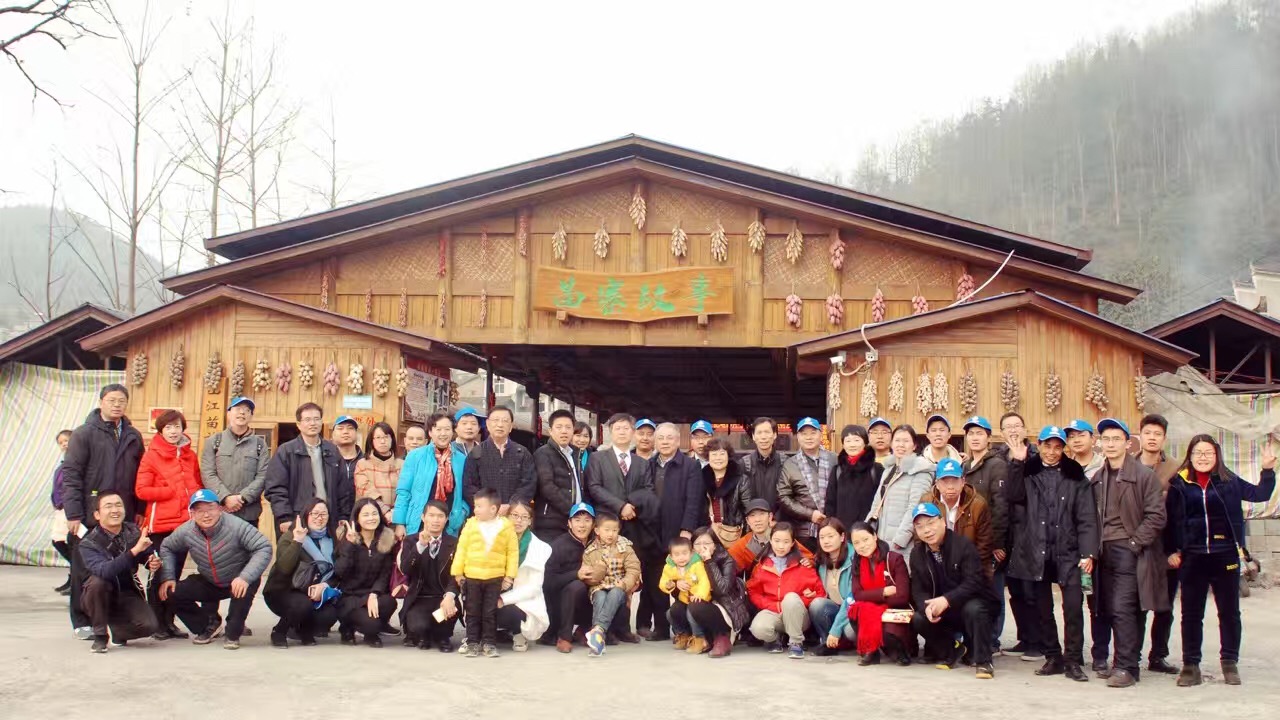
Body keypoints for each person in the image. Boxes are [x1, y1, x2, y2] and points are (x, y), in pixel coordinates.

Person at [1166, 435, 1276, 687]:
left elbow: (1260, 494)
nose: (1203, 457)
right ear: (1190, 456)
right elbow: (1170, 521)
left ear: (1217, 456)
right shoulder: (1179, 483)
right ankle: (1190, 665)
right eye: (1197, 452)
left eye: (1208, 453)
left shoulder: (1229, 481)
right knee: (1191, 614)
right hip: (1192, 557)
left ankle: (1229, 662)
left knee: (1229, 612)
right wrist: (1171, 550)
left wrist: (1267, 470)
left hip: (1225, 554)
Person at [1006, 425, 1098, 683]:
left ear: (1063, 448)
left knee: (1073, 608)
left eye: (1058, 447)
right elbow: (1013, 495)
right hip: (1037, 550)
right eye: (1047, 446)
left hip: (1069, 552)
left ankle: (1073, 660)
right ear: (1040, 445)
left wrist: (1088, 552)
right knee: (1042, 609)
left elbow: (1087, 518)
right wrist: (1017, 462)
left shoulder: (1076, 475)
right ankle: (1053, 656)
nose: (1052, 452)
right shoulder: (1027, 471)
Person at [1090, 418, 1168, 688]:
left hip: (1130, 549)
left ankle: (1124, 667)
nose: (1111, 444)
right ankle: (1128, 665)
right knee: (1110, 609)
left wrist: (1134, 543)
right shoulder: (1098, 478)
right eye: (1106, 439)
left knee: (1124, 608)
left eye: (1116, 439)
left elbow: (1156, 516)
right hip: (1104, 551)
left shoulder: (1143, 476)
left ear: (1127, 443)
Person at [62, 384, 144, 639]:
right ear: (101, 402)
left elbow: (140, 474)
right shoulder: (84, 433)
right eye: (112, 400)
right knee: (83, 568)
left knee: (122, 566)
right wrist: (73, 513)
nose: (117, 405)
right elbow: (71, 475)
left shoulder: (133, 435)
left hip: (123, 511)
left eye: (121, 401)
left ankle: (116, 619)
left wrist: (139, 508)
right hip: (91, 512)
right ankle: (81, 620)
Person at [158, 489, 272, 650]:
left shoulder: (236, 526)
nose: (206, 515)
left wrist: (245, 577)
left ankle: (233, 630)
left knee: (232, 636)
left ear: (220, 509)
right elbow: (167, 547)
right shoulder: (186, 531)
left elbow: (263, 547)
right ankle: (207, 626)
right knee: (171, 592)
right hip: (210, 580)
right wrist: (169, 576)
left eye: (210, 508)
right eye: (199, 511)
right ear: (192, 514)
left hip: (239, 580)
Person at [585, 412, 661, 641]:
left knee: (627, 576)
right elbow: (594, 487)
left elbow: (648, 489)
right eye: (617, 428)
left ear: (632, 432)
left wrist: (631, 506)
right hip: (606, 524)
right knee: (604, 575)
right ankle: (604, 628)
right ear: (611, 431)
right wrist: (620, 507)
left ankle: (623, 627)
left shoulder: (641, 463)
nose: (622, 432)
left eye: (626, 428)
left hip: (633, 525)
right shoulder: (598, 458)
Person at [134, 410, 203, 640]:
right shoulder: (151, 456)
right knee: (159, 574)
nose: (174, 431)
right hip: (161, 526)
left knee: (174, 575)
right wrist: (171, 491)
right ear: (161, 430)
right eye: (168, 427)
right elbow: (141, 490)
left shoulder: (189, 455)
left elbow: (197, 484)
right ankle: (156, 624)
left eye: (177, 426)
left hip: (184, 525)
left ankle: (169, 622)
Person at [909, 502, 998, 679]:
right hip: (944, 609)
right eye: (920, 526)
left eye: (931, 523)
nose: (927, 530)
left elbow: (974, 582)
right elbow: (918, 590)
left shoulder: (963, 545)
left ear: (943, 522)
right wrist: (926, 607)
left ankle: (983, 661)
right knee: (918, 618)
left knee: (974, 609)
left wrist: (947, 600)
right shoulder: (917, 554)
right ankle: (952, 650)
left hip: (972, 603)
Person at [73, 490, 160, 653]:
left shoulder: (133, 531)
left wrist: (151, 562)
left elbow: (145, 554)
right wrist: (134, 551)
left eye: (118, 505)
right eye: (108, 506)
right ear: (97, 514)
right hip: (98, 593)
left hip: (127, 591)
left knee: (150, 626)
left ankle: (117, 631)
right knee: (98, 583)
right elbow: (104, 571)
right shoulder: (88, 543)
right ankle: (100, 635)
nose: (115, 510)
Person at [642, 422, 705, 639]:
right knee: (657, 581)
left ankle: (686, 628)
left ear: (678, 441)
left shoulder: (690, 466)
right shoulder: (648, 465)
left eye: (670, 438)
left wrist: (686, 530)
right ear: (655, 441)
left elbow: (694, 501)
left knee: (684, 581)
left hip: (677, 533)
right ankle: (661, 628)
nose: (665, 442)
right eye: (661, 438)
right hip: (653, 532)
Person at [1134, 413, 1182, 675]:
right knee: (1135, 605)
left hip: (1165, 546)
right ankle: (1131, 656)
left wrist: (1177, 548)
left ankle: (1158, 656)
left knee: (1164, 606)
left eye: (1157, 434)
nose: (1152, 438)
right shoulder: (1127, 465)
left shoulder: (1175, 469)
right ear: (1140, 435)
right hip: (1135, 546)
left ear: (1164, 438)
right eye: (1148, 433)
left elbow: (1181, 512)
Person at [960, 415, 1011, 655]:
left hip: (990, 541)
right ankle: (973, 637)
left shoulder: (996, 465)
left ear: (988, 438)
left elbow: (1001, 507)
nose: (975, 438)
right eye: (971, 434)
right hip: (969, 540)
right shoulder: (965, 466)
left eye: (980, 433)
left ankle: (992, 640)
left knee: (993, 590)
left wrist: (997, 543)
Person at [262, 498, 340, 648]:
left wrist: (324, 586)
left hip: (314, 592)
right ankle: (279, 631)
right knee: (302, 604)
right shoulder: (290, 536)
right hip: (283, 590)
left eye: (324, 514)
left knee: (330, 614)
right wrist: (297, 541)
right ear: (306, 515)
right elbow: (284, 567)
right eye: (315, 513)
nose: (319, 518)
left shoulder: (331, 539)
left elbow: (337, 571)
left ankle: (304, 630)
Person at [264, 403, 352, 537]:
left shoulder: (332, 451)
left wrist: (343, 516)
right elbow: (275, 488)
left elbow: (343, 488)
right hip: (297, 519)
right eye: (307, 419)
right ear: (299, 424)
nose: (313, 423)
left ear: (321, 422)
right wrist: (284, 517)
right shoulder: (286, 451)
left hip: (328, 518)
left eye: (316, 419)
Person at [451, 488, 520, 657]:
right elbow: (461, 549)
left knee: (490, 612)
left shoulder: (506, 527)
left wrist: (509, 576)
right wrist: (458, 573)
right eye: (475, 506)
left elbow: (512, 552)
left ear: (493, 509)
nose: (475, 510)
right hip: (472, 577)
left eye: (479, 506)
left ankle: (489, 643)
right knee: (472, 611)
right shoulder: (470, 525)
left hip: (494, 578)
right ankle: (472, 642)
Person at [746, 522, 825, 658]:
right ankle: (775, 639)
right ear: (771, 541)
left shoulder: (802, 565)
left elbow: (820, 592)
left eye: (786, 542)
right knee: (757, 627)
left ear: (793, 543)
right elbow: (753, 591)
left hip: (798, 616)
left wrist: (803, 600)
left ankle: (796, 642)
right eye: (777, 541)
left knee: (791, 598)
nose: (781, 546)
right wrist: (772, 605)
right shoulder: (763, 565)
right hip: (774, 612)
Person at [998, 410, 1040, 661]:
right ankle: (1025, 638)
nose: (1013, 430)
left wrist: (1020, 462)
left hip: (1031, 532)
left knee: (1031, 589)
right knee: (1015, 589)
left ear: (1025, 429)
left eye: (1017, 425)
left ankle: (1038, 641)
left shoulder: (1036, 456)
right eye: (1008, 427)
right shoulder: (998, 458)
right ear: (1002, 433)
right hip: (1009, 532)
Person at [333, 498, 397, 647]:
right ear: (357, 518)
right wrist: (349, 545)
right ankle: (347, 627)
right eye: (366, 515)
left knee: (389, 602)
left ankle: (370, 634)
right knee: (372, 624)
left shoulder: (385, 539)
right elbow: (339, 571)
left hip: (372, 594)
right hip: (350, 597)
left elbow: (385, 574)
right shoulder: (347, 539)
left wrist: (374, 594)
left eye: (374, 513)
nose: (371, 518)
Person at [395, 412, 469, 540]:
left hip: (449, 524)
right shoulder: (415, 456)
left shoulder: (461, 459)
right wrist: (400, 523)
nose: (443, 433)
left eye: (447, 429)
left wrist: (460, 514)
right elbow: (404, 491)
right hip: (419, 521)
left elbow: (466, 492)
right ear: (430, 432)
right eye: (438, 429)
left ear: (453, 432)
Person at [398, 501, 460, 652]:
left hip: (443, 598)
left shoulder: (454, 543)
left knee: (443, 622)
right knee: (419, 626)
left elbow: (457, 574)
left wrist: (450, 596)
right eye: (431, 515)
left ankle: (441, 636)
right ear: (423, 517)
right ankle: (423, 634)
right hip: (419, 598)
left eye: (440, 516)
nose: (435, 520)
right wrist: (420, 546)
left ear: (446, 519)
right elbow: (406, 569)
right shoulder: (411, 540)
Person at [847, 520, 912, 666]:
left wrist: (870, 597)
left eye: (865, 539)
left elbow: (902, 597)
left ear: (875, 536)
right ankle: (872, 651)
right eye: (856, 543)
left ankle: (900, 652)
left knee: (879, 620)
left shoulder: (894, 559)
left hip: (894, 609)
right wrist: (883, 592)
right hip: (876, 606)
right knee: (855, 610)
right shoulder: (857, 562)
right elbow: (857, 594)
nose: (862, 545)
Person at [580, 511, 642, 657]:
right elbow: (588, 578)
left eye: (614, 530)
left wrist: (625, 583)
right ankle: (599, 637)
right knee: (600, 596)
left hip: (619, 587)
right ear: (597, 530)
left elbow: (634, 568)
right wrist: (598, 572)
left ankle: (597, 631)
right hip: (599, 587)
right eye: (607, 530)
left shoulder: (625, 547)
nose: (611, 534)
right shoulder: (590, 551)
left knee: (615, 592)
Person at [200, 396, 269, 528]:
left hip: (249, 514)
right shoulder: (214, 441)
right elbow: (208, 473)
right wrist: (225, 497)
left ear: (251, 416)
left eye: (247, 410)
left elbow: (263, 476)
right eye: (237, 409)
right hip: (219, 512)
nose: (242, 413)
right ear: (229, 413)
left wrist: (242, 498)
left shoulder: (260, 444)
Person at [867, 424, 935, 555]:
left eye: (906, 441)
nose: (901, 445)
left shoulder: (921, 470)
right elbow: (877, 504)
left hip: (902, 544)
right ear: (892, 444)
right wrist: (866, 531)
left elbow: (915, 507)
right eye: (897, 440)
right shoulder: (889, 470)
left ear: (914, 446)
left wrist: (901, 539)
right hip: (881, 538)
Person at [919, 457, 993, 572]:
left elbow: (984, 545)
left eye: (954, 481)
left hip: (969, 565)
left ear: (963, 482)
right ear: (937, 484)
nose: (950, 487)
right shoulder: (927, 502)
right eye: (945, 481)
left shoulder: (978, 504)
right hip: (937, 564)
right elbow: (919, 538)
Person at [498, 499, 552, 651]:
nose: (519, 520)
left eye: (524, 517)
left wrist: (503, 599)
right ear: (506, 518)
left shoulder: (540, 548)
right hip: (494, 590)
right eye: (514, 515)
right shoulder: (496, 540)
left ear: (530, 521)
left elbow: (534, 587)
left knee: (510, 611)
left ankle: (518, 633)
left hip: (521, 598)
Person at [545, 503, 599, 652]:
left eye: (587, 520)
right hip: (560, 602)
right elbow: (548, 583)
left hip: (589, 598)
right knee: (576, 586)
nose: (582, 525)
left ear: (593, 524)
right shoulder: (558, 546)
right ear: (569, 523)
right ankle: (564, 637)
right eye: (577, 520)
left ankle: (586, 630)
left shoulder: (598, 543)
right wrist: (576, 574)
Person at [462, 406, 536, 515]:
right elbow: (469, 487)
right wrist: (489, 506)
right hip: (485, 516)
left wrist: (511, 505)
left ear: (511, 426)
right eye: (495, 420)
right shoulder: (476, 453)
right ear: (487, 424)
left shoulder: (522, 453)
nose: (500, 425)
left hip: (514, 515)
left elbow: (528, 484)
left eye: (505, 421)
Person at [689, 528, 749, 658]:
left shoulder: (727, 560)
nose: (702, 547)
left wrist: (709, 561)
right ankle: (700, 637)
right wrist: (677, 584)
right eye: (697, 544)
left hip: (725, 606)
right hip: (706, 602)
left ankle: (722, 636)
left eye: (707, 543)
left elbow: (722, 589)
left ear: (715, 545)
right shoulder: (690, 561)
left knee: (696, 606)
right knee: (676, 609)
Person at [779, 416, 835, 552]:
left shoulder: (835, 459)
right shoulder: (790, 464)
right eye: (804, 434)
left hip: (833, 529)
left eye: (813, 433)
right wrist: (810, 514)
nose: (808, 437)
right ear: (798, 437)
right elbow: (783, 497)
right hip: (804, 532)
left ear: (820, 435)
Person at [533, 409, 588, 543]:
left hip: (573, 522)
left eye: (568, 427)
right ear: (550, 431)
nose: (564, 431)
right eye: (559, 427)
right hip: (551, 522)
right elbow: (547, 487)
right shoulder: (543, 453)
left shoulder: (575, 454)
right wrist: (572, 511)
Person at [808, 518, 857, 657]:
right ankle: (828, 643)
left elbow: (852, 598)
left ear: (842, 537)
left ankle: (843, 640)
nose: (826, 541)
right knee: (817, 604)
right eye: (822, 537)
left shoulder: (855, 558)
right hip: (835, 608)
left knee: (850, 631)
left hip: (853, 608)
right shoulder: (821, 561)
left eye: (830, 536)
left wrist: (835, 630)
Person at [825, 425, 883, 531]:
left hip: (868, 531)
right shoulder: (837, 471)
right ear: (843, 444)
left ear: (865, 442)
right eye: (848, 441)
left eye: (856, 440)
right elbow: (830, 503)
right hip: (843, 532)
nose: (852, 445)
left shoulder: (876, 469)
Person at [660, 535, 711, 651]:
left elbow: (704, 581)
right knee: (671, 612)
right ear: (671, 556)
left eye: (684, 553)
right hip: (684, 599)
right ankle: (683, 635)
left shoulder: (697, 565)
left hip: (699, 600)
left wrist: (700, 595)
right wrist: (672, 584)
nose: (681, 557)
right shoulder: (669, 567)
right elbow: (663, 581)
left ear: (691, 553)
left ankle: (700, 638)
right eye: (677, 554)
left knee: (691, 612)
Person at [354, 421, 401, 524]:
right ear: (372, 441)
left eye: (386, 437)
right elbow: (366, 491)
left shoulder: (402, 464)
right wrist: (385, 511)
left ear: (392, 439)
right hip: (370, 519)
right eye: (378, 438)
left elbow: (404, 492)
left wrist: (395, 512)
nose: (382, 441)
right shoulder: (362, 464)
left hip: (396, 518)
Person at [704, 436, 745, 546]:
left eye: (722, 454)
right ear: (708, 457)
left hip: (733, 536)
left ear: (728, 456)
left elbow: (748, 510)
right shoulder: (701, 478)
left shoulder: (741, 479)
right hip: (708, 534)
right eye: (714, 454)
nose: (718, 458)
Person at [737, 417, 784, 511]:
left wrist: (776, 517)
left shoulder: (785, 463)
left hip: (779, 519)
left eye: (767, 432)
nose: (763, 437)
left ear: (775, 435)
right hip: (752, 517)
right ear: (753, 436)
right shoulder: (744, 464)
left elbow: (789, 496)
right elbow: (739, 498)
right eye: (759, 432)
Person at [49, 429, 74, 596]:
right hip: (60, 509)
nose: (64, 444)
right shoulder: (63, 464)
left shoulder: (76, 462)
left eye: (67, 440)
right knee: (57, 540)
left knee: (68, 543)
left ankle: (76, 576)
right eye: (61, 442)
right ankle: (73, 575)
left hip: (70, 508)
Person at [332, 415, 364, 502]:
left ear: (356, 434)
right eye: (340, 428)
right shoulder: (327, 460)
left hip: (360, 509)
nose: (345, 432)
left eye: (350, 428)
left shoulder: (366, 461)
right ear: (333, 434)